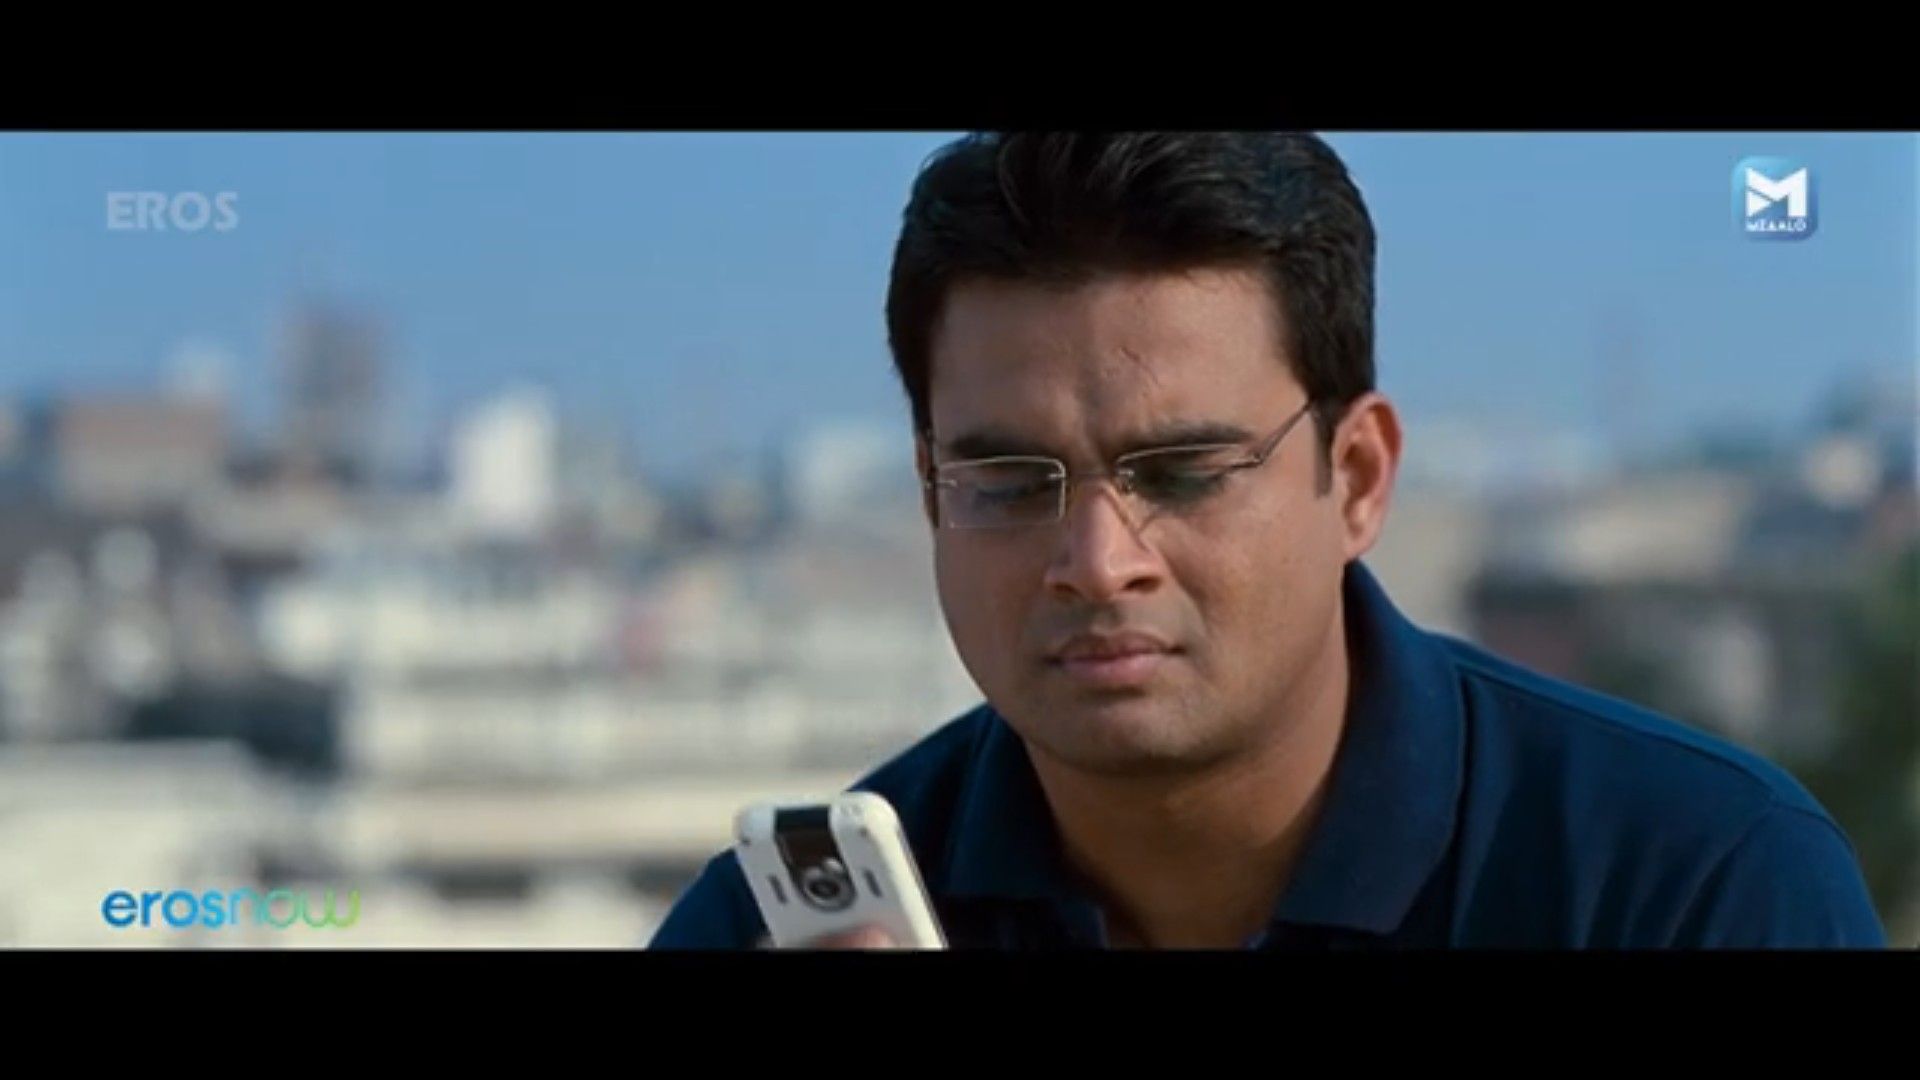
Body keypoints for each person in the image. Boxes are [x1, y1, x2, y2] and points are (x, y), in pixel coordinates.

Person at [649, 131, 1888, 949]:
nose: (1098, 560)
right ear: (930, 495)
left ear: (1357, 478)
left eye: (1183, 472)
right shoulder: (769, 924)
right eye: (1010, 481)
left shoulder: (1692, 885)